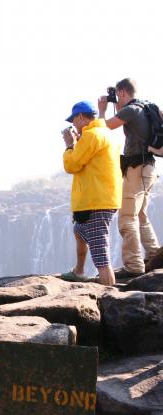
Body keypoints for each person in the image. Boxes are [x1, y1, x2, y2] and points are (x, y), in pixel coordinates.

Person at [98, 78, 160, 279]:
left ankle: (134, 265)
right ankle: (153, 255)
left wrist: (101, 110)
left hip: (136, 168)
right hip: (148, 168)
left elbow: (105, 128)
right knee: (140, 215)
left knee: (127, 217)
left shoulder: (131, 110)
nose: (116, 99)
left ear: (122, 92)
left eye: (117, 95)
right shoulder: (146, 107)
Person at [61, 100, 122, 286]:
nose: (73, 124)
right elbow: (89, 159)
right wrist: (79, 141)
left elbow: (72, 164)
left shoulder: (91, 136)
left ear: (80, 117)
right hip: (103, 198)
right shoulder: (105, 133)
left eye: (73, 120)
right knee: (79, 231)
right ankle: (79, 271)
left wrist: (70, 145)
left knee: (101, 256)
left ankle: (111, 298)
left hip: (96, 201)